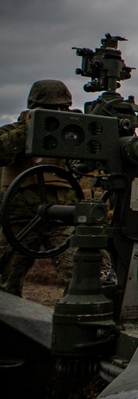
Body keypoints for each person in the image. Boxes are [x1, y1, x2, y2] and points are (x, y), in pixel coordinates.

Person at [0, 80, 77, 297]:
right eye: (52, 109)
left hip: (63, 216)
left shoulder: (71, 134)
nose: (59, 113)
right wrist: (30, 129)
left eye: (64, 109)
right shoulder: (15, 131)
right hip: (21, 219)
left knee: (82, 275)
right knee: (7, 284)